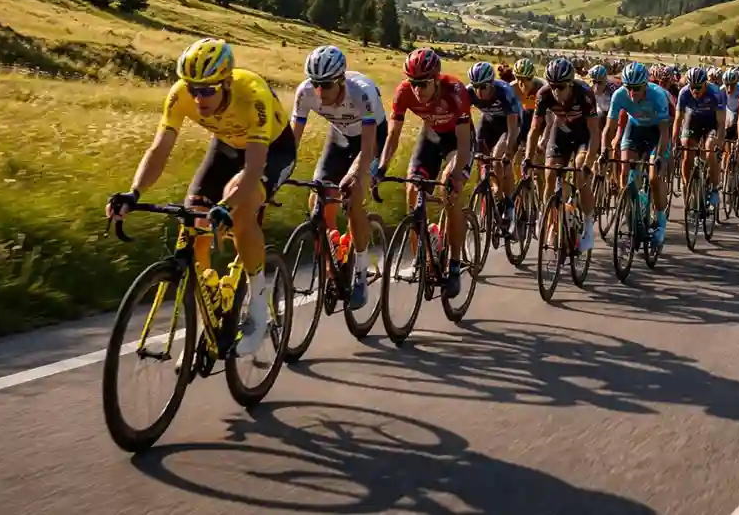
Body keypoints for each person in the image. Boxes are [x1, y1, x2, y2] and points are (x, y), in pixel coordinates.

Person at [107, 38, 294, 353]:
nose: (197, 98)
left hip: (271, 150)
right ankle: (208, 319)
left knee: (241, 210)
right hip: (225, 146)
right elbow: (160, 149)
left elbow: (252, 170)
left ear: (225, 82)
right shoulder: (180, 95)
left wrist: (226, 206)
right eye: (192, 88)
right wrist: (134, 192)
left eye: (207, 90)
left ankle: (259, 307)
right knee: (193, 219)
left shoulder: (253, 96)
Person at [290, 45, 385, 309]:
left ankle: (360, 275)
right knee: (317, 201)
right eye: (316, 84)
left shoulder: (361, 93)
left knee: (353, 197)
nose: (320, 91)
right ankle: (334, 268)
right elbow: (290, 144)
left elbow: (368, 148)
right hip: (340, 137)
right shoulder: (305, 93)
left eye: (327, 85)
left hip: (371, 139)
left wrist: (355, 174)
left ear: (341, 79)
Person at [377, 48, 473, 298]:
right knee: (412, 189)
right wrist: (381, 168)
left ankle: (453, 264)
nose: (417, 90)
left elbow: (463, 144)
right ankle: (420, 260)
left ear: (436, 78)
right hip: (430, 136)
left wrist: (455, 173)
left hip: (457, 141)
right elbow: (393, 135)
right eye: (413, 83)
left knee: (448, 190)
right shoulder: (404, 92)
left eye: (422, 84)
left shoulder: (455, 91)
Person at [525, 58, 600, 250]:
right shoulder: (543, 94)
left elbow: (594, 131)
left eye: (560, 86)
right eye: (553, 86)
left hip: (583, 135)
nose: (556, 92)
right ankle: (548, 217)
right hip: (560, 133)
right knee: (550, 176)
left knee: (580, 173)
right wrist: (528, 157)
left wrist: (589, 161)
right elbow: (534, 129)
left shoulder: (584, 93)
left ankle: (589, 227)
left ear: (570, 83)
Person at [599, 62, 673, 247]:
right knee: (625, 171)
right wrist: (604, 151)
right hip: (635, 129)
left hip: (657, 132)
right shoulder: (619, 95)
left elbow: (664, 132)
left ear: (645, 85)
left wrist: (658, 158)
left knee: (655, 178)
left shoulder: (658, 96)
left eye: (637, 88)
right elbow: (609, 128)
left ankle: (661, 223)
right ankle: (631, 211)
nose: (632, 93)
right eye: (629, 88)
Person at [466, 61, 523, 235]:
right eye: (476, 87)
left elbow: (513, 128)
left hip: (510, 124)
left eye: (483, 87)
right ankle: (486, 193)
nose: (479, 92)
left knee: (500, 159)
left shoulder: (504, 92)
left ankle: (510, 206)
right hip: (489, 122)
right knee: (479, 157)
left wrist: (507, 153)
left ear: (491, 83)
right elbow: (465, 121)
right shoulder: (469, 92)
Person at [675, 66, 726, 208]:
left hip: (711, 123)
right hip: (693, 121)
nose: (695, 91)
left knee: (710, 149)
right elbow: (678, 119)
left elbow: (721, 123)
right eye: (692, 87)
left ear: (705, 84)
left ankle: (715, 188)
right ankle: (688, 185)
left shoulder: (715, 93)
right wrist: (674, 141)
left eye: (698, 87)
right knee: (686, 149)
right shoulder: (684, 93)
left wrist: (720, 142)